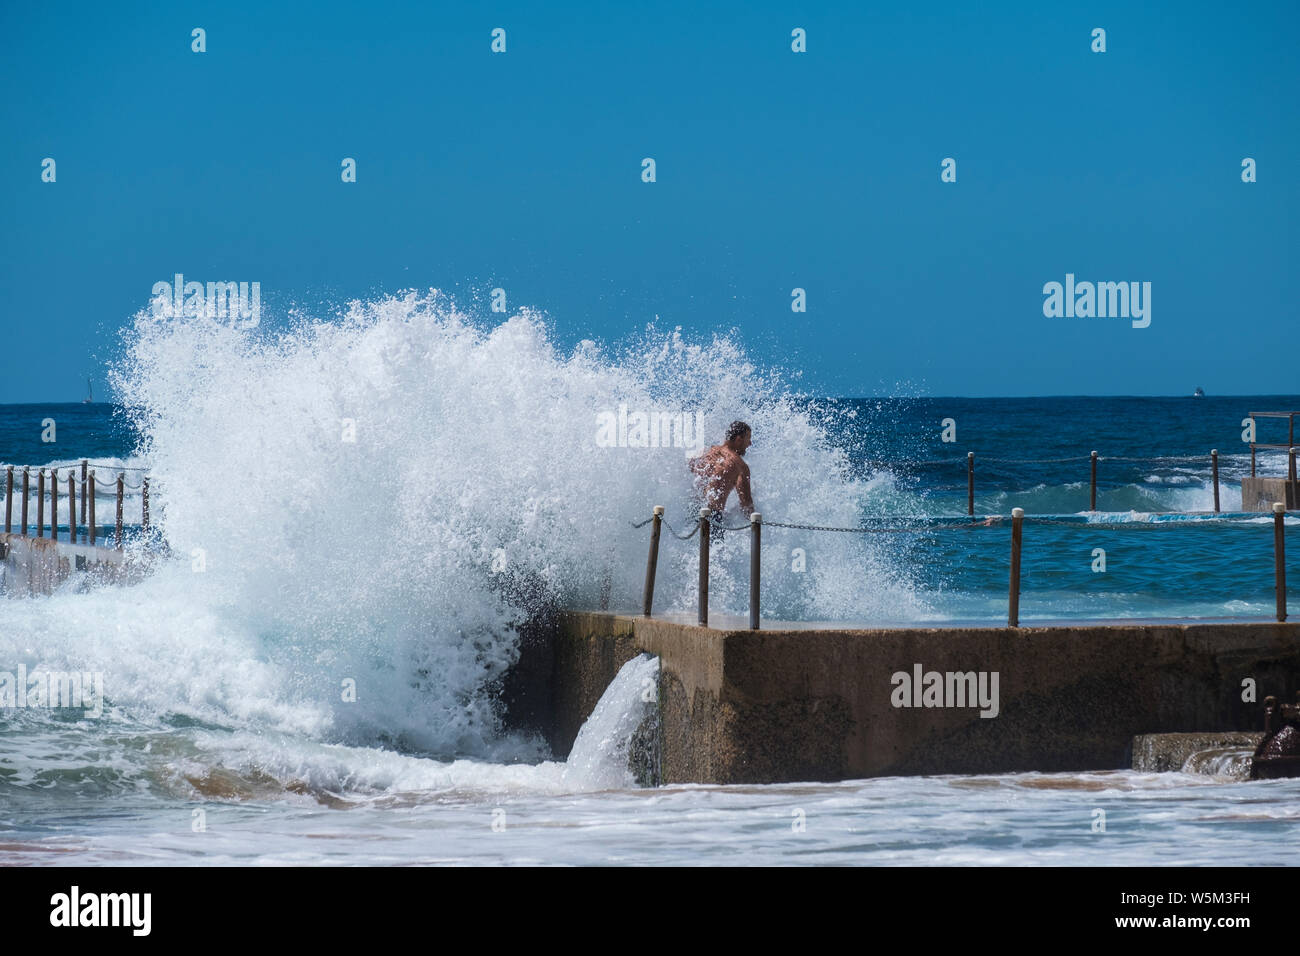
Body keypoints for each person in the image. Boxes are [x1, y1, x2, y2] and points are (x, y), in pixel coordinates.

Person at [689, 421, 755, 536]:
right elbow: (746, 504)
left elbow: (690, 467)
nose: (750, 443)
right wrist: (756, 523)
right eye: (748, 438)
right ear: (739, 439)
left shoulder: (706, 452)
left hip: (693, 509)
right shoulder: (739, 465)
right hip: (712, 517)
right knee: (710, 553)